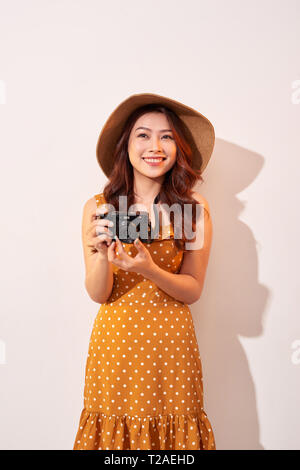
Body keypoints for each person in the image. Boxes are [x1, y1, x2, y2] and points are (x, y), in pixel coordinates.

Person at [73, 93, 216, 450]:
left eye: (166, 136)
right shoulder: (100, 206)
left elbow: (193, 289)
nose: (155, 146)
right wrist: (102, 253)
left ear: (178, 147)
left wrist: (150, 270)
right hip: (116, 346)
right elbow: (97, 293)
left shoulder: (193, 208)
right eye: (144, 135)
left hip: (171, 348)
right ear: (126, 145)